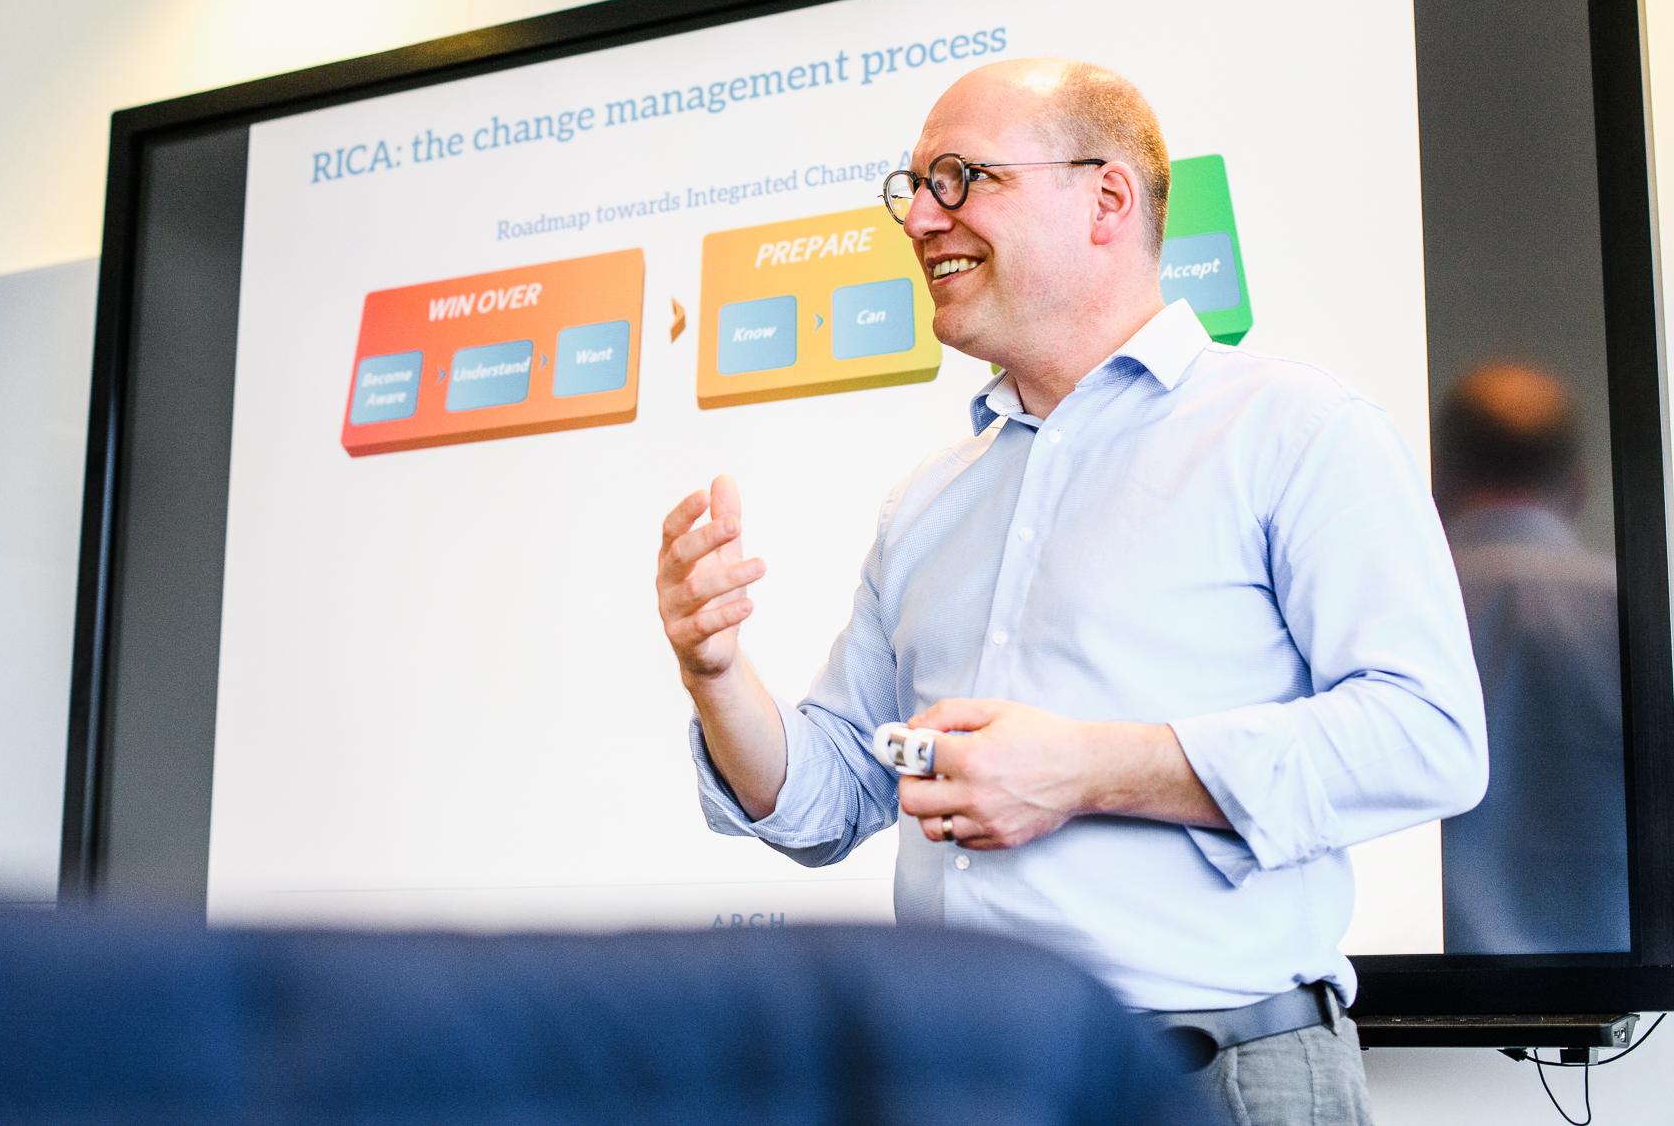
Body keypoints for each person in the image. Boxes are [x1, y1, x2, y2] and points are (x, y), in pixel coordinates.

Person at [655, 59, 1488, 1126]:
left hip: (1212, 1080)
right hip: (958, 1082)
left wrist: (1085, 771)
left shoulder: (1294, 431)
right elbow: (830, 800)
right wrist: (716, 672)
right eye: (911, 188)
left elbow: (1428, 737)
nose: (920, 218)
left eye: (959, 178)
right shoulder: (927, 501)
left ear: (1106, 199)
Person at [1433, 362, 1628, 954]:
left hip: (1423, 978)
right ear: (1579, 486)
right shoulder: (1642, 611)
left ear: (1439, 480)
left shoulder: (1386, 610)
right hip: (1622, 973)